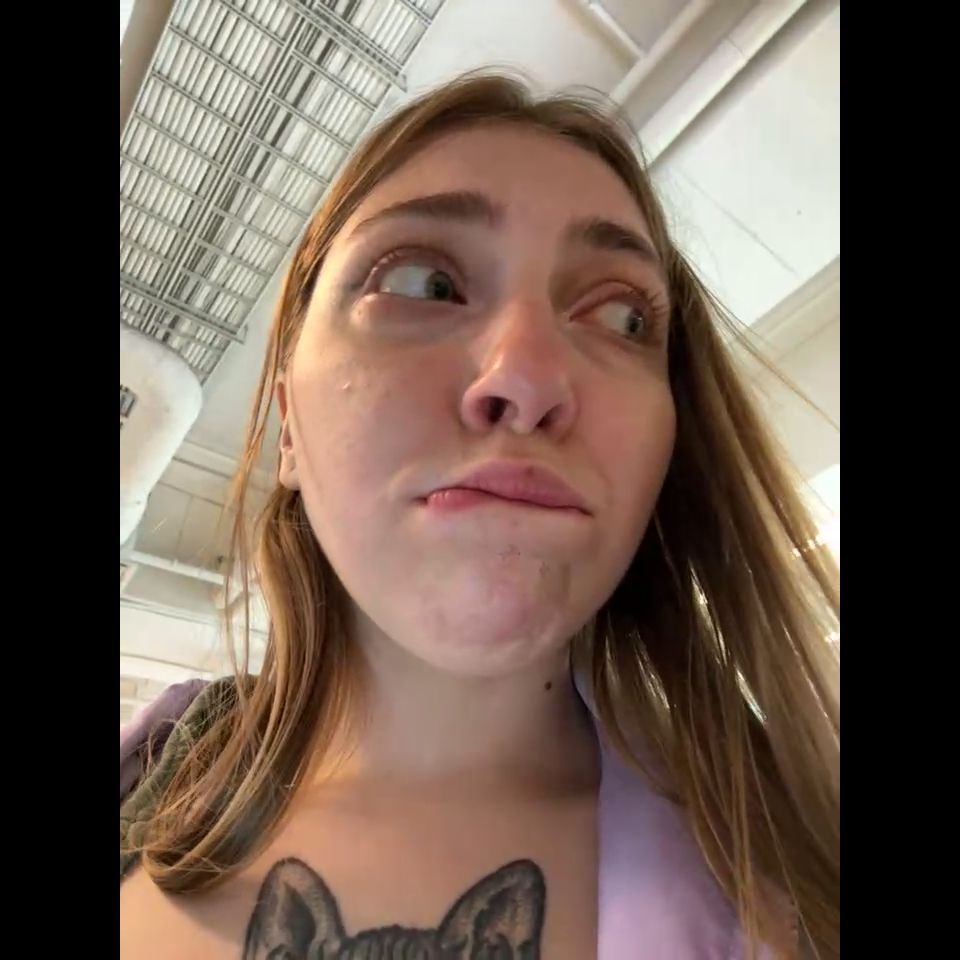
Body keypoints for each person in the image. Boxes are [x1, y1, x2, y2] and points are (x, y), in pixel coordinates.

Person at [120, 71, 839, 960]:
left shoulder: (798, 886)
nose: (528, 378)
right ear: (287, 431)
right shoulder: (154, 760)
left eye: (622, 316)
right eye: (422, 282)